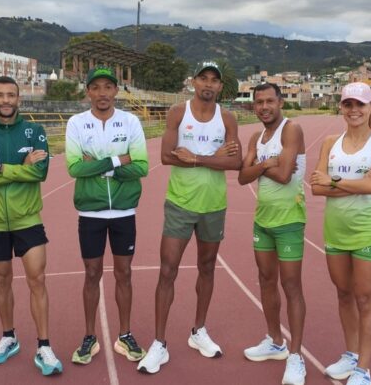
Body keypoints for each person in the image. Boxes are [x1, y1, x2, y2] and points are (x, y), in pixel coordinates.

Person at [137, 61, 242, 374]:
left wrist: (195, 158)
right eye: (203, 79)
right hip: (180, 204)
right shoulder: (178, 113)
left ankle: (199, 331)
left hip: (214, 205)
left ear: (220, 87)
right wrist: (215, 159)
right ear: (193, 83)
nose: (208, 85)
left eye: (214, 80)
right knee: (167, 270)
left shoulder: (227, 118)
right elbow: (167, 156)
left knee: (207, 268)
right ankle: (159, 343)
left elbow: (236, 163)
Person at [0, 76, 62, 376]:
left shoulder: (35, 131)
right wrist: (22, 167)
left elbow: (41, 173)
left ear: (19, 98)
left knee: (37, 280)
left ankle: (44, 345)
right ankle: (9, 338)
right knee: (2, 281)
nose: (5, 100)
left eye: (11, 95)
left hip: (28, 219)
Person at [310, 82, 371, 385]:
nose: (354, 110)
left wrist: (333, 180)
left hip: (366, 232)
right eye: (348, 104)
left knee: (364, 298)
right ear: (341, 108)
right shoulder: (331, 142)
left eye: (360, 104)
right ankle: (351, 354)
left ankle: (363, 369)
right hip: (335, 232)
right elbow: (316, 188)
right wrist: (346, 183)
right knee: (343, 295)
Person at [65, 67, 149, 365]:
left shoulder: (130, 121)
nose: (102, 93)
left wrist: (101, 165)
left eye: (108, 87)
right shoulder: (76, 123)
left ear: (116, 90)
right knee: (91, 274)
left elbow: (141, 167)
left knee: (124, 274)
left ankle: (124, 334)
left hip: (125, 211)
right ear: (88, 91)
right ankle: (90, 336)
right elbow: (75, 168)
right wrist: (118, 159)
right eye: (96, 87)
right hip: (90, 212)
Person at [237, 83, 307, 385]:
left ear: (280, 102)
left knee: (291, 286)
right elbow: (242, 177)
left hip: (289, 221)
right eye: (259, 102)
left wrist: (259, 167)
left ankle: (295, 356)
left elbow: (284, 175)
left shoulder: (292, 130)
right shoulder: (256, 136)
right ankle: (275, 340)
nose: (264, 107)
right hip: (262, 222)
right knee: (266, 281)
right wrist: (268, 163)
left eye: (269, 101)